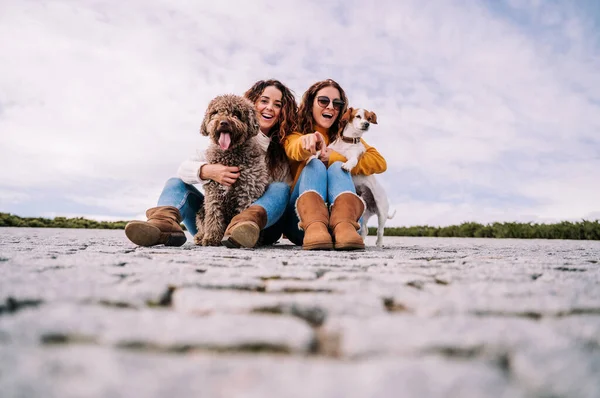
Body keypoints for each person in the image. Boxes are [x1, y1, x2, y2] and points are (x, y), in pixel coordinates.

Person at [124, 79, 298, 248]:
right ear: (252, 104)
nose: (269, 108)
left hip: (257, 227)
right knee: (174, 182)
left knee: (280, 188)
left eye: (277, 104)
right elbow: (183, 169)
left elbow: (283, 197)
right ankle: (162, 225)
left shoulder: (284, 148)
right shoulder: (214, 149)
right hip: (210, 226)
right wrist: (207, 171)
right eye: (264, 101)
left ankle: (242, 228)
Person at [281, 79, 387, 251]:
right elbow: (294, 149)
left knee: (338, 167)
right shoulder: (296, 133)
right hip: (302, 224)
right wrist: (307, 142)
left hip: (349, 227)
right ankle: (316, 224)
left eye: (337, 103)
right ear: (310, 103)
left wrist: (335, 157)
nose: (330, 106)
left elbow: (380, 162)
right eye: (323, 101)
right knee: (314, 164)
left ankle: (344, 224)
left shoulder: (347, 137)